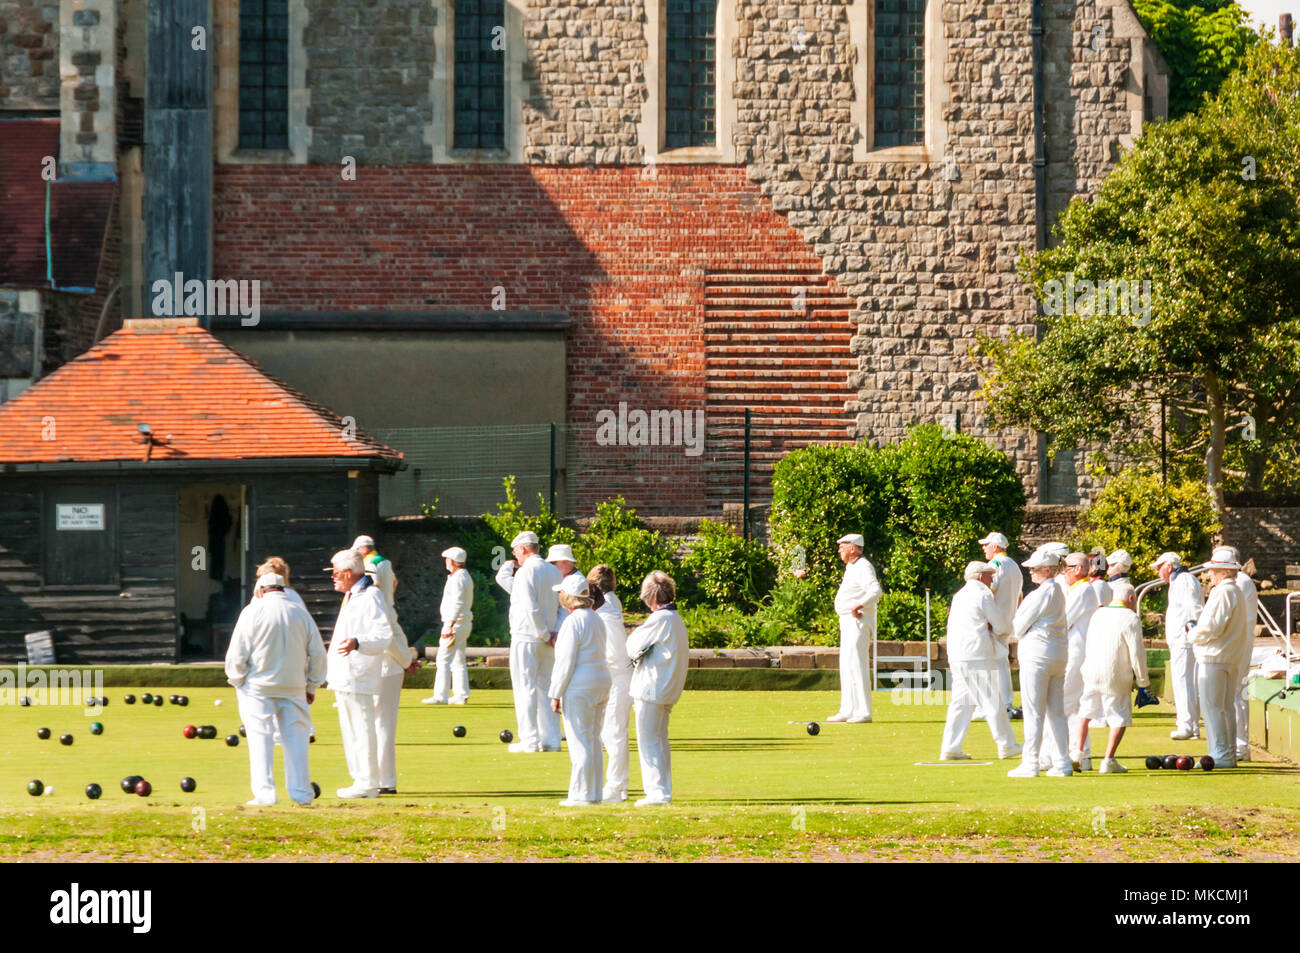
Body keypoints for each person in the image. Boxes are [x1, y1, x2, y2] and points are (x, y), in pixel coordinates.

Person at [225, 572, 327, 806]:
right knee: (297, 740)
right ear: (283, 590)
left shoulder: (252, 611)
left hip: (258, 687)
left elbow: (237, 653)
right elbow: (318, 653)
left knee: (260, 738)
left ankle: (265, 794)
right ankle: (302, 794)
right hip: (294, 687)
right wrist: (312, 684)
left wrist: (237, 679)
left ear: (260, 591)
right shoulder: (300, 612)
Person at [325, 548, 395, 798]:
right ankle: (360, 780)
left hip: (358, 673)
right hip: (345, 674)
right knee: (352, 729)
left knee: (362, 728)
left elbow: (383, 634)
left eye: (334, 573)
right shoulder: (354, 596)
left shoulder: (370, 595)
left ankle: (367, 782)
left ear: (347, 573)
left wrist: (357, 643)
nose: (332, 577)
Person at [940, 561, 1021, 761]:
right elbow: (1002, 625)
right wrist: (993, 627)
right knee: (992, 700)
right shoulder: (983, 594)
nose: (992, 578)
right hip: (977, 655)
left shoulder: (959, 595)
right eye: (989, 575)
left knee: (962, 702)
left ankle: (950, 748)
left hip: (958, 656)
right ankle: (1006, 745)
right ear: (979, 577)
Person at [626, 571, 689, 805]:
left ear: (652, 597)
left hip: (652, 690)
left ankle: (657, 793)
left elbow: (631, 646)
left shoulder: (660, 619)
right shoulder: (675, 619)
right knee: (659, 740)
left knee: (649, 740)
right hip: (665, 690)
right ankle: (663, 790)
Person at [548, 574, 612, 806]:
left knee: (580, 740)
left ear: (569, 597)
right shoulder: (597, 619)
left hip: (581, 685)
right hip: (601, 681)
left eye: (561, 592)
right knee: (593, 738)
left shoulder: (572, 622)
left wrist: (555, 693)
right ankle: (594, 793)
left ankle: (581, 795)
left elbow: (565, 662)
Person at [496, 531, 563, 753]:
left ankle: (530, 740)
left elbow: (530, 606)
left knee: (525, 687)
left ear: (523, 549)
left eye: (516, 552)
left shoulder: (526, 572)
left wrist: (544, 632)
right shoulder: (554, 571)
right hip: (549, 639)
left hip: (527, 637)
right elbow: (560, 607)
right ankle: (551, 739)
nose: (516, 556)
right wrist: (554, 632)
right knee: (545, 688)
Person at [1008, 550, 1071, 778]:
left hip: (1038, 656)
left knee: (1034, 711)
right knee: (1056, 712)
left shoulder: (1040, 594)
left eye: (1035, 568)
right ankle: (1062, 762)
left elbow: (1018, 625)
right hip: (1057, 654)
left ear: (1047, 570)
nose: (1031, 571)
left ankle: (1031, 762)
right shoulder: (1059, 591)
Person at [1076, 582, 1150, 773]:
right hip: (1116, 675)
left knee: (1086, 712)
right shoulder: (1131, 617)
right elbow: (1137, 653)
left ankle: (1077, 753)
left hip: (1091, 671)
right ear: (1132, 599)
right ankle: (1108, 760)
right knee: (1119, 717)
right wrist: (1143, 683)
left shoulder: (1098, 614)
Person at [1187, 548, 1250, 767]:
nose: (1209, 574)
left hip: (1215, 658)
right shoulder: (1235, 591)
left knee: (1214, 708)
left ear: (1223, 571)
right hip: (1228, 657)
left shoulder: (1224, 592)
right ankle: (1228, 753)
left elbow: (1212, 627)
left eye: (1213, 570)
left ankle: (1221, 754)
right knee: (1225, 707)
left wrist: (1192, 634)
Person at [827, 533, 882, 724]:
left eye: (842, 546)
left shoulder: (864, 566)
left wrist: (859, 604)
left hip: (858, 621)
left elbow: (875, 591)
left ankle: (864, 711)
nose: (839, 549)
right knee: (847, 665)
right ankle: (848, 709)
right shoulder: (852, 567)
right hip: (848, 621)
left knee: (857, 665)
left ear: (853, 547)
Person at [589, 564, 632, 802]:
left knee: (614, 732)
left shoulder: (608, 610)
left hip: (616, 677)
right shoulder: (607, 607)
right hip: (612, 676)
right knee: (611, 732)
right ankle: (618, 785)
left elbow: (615, 654)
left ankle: (616, 787)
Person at [1057, 552, 1100, 771]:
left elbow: (1064, 620)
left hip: (1076, 653)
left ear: (1078, 569)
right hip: (1076, 651)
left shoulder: (1083, 590)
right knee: (1073, 706)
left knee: (1065, 704)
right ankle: (1080, 754)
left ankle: (1065, 754)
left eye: (1067, 567)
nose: (1064, 572)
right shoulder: (1079, 589)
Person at [1155, 551, 1204, 740]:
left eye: (1159, 567)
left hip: (1184, 640)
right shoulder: (1180, 581)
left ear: (1169, 566)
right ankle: (1191, 725)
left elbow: (1193, 607)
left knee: (1184, 681)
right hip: (1181, 640)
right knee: (1186, 682)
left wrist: (1191, 629)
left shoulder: (1184, 580)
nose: (1158, 572)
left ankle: (1186, 725)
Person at [423, 547, 474, 706]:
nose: (445, 562)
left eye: (447, 559)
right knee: (458, 659)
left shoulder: (459, 578)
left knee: (443, 659)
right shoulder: (461, 576)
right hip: (460, 623)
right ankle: (460, 695)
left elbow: (458, 602)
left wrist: (449, 624)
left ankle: (441, 695)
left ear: (452, 561)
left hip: (456, 624)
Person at [980, 531, 1023, 719]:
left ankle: (1000, 704)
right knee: (1001, 662)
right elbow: (1019, 597)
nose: (984, 548)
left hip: (993, 621)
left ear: (995, 547)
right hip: (1008, 620)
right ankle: (1004, 703)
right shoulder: (1014, 565)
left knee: (990, 663)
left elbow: (988, 591)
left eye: (986, 545)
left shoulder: (995, 565)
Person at [1221, 545, 1257, 762]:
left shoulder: (1240, 582)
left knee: (1237, 694)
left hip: (1240, 643)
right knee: (1233, 694)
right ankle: (1235, 744)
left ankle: (1241, 746)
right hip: (1236, 642)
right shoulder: (1238, 583)